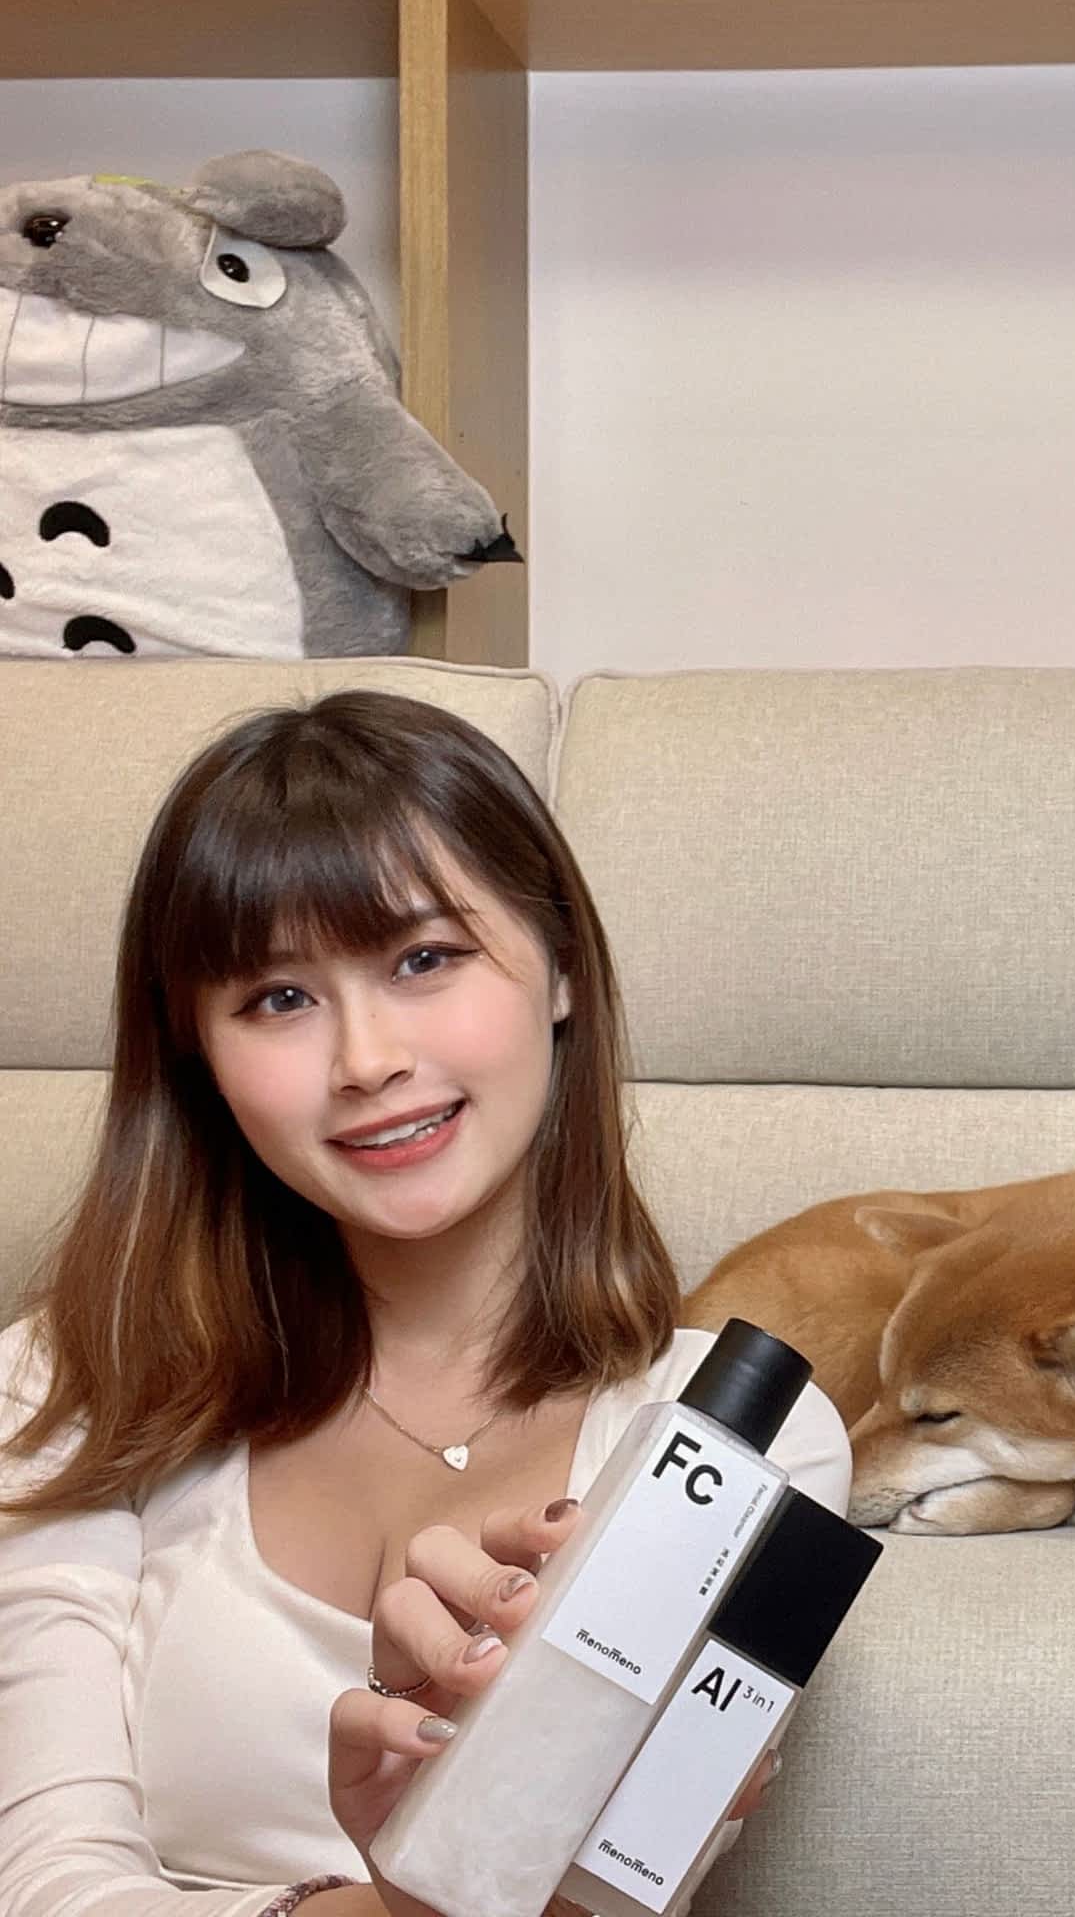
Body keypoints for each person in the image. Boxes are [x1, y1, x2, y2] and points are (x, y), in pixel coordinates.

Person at [0, 691, 851, 1917]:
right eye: (277, 998)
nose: (366, 1061)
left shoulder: (738, 1442)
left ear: (560, 967)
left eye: (423, 959)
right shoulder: (63, 1384)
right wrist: (409, 1901)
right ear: (197, 1053)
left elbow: (601, 1896)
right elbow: (45, 1888)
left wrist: (455, 1883)